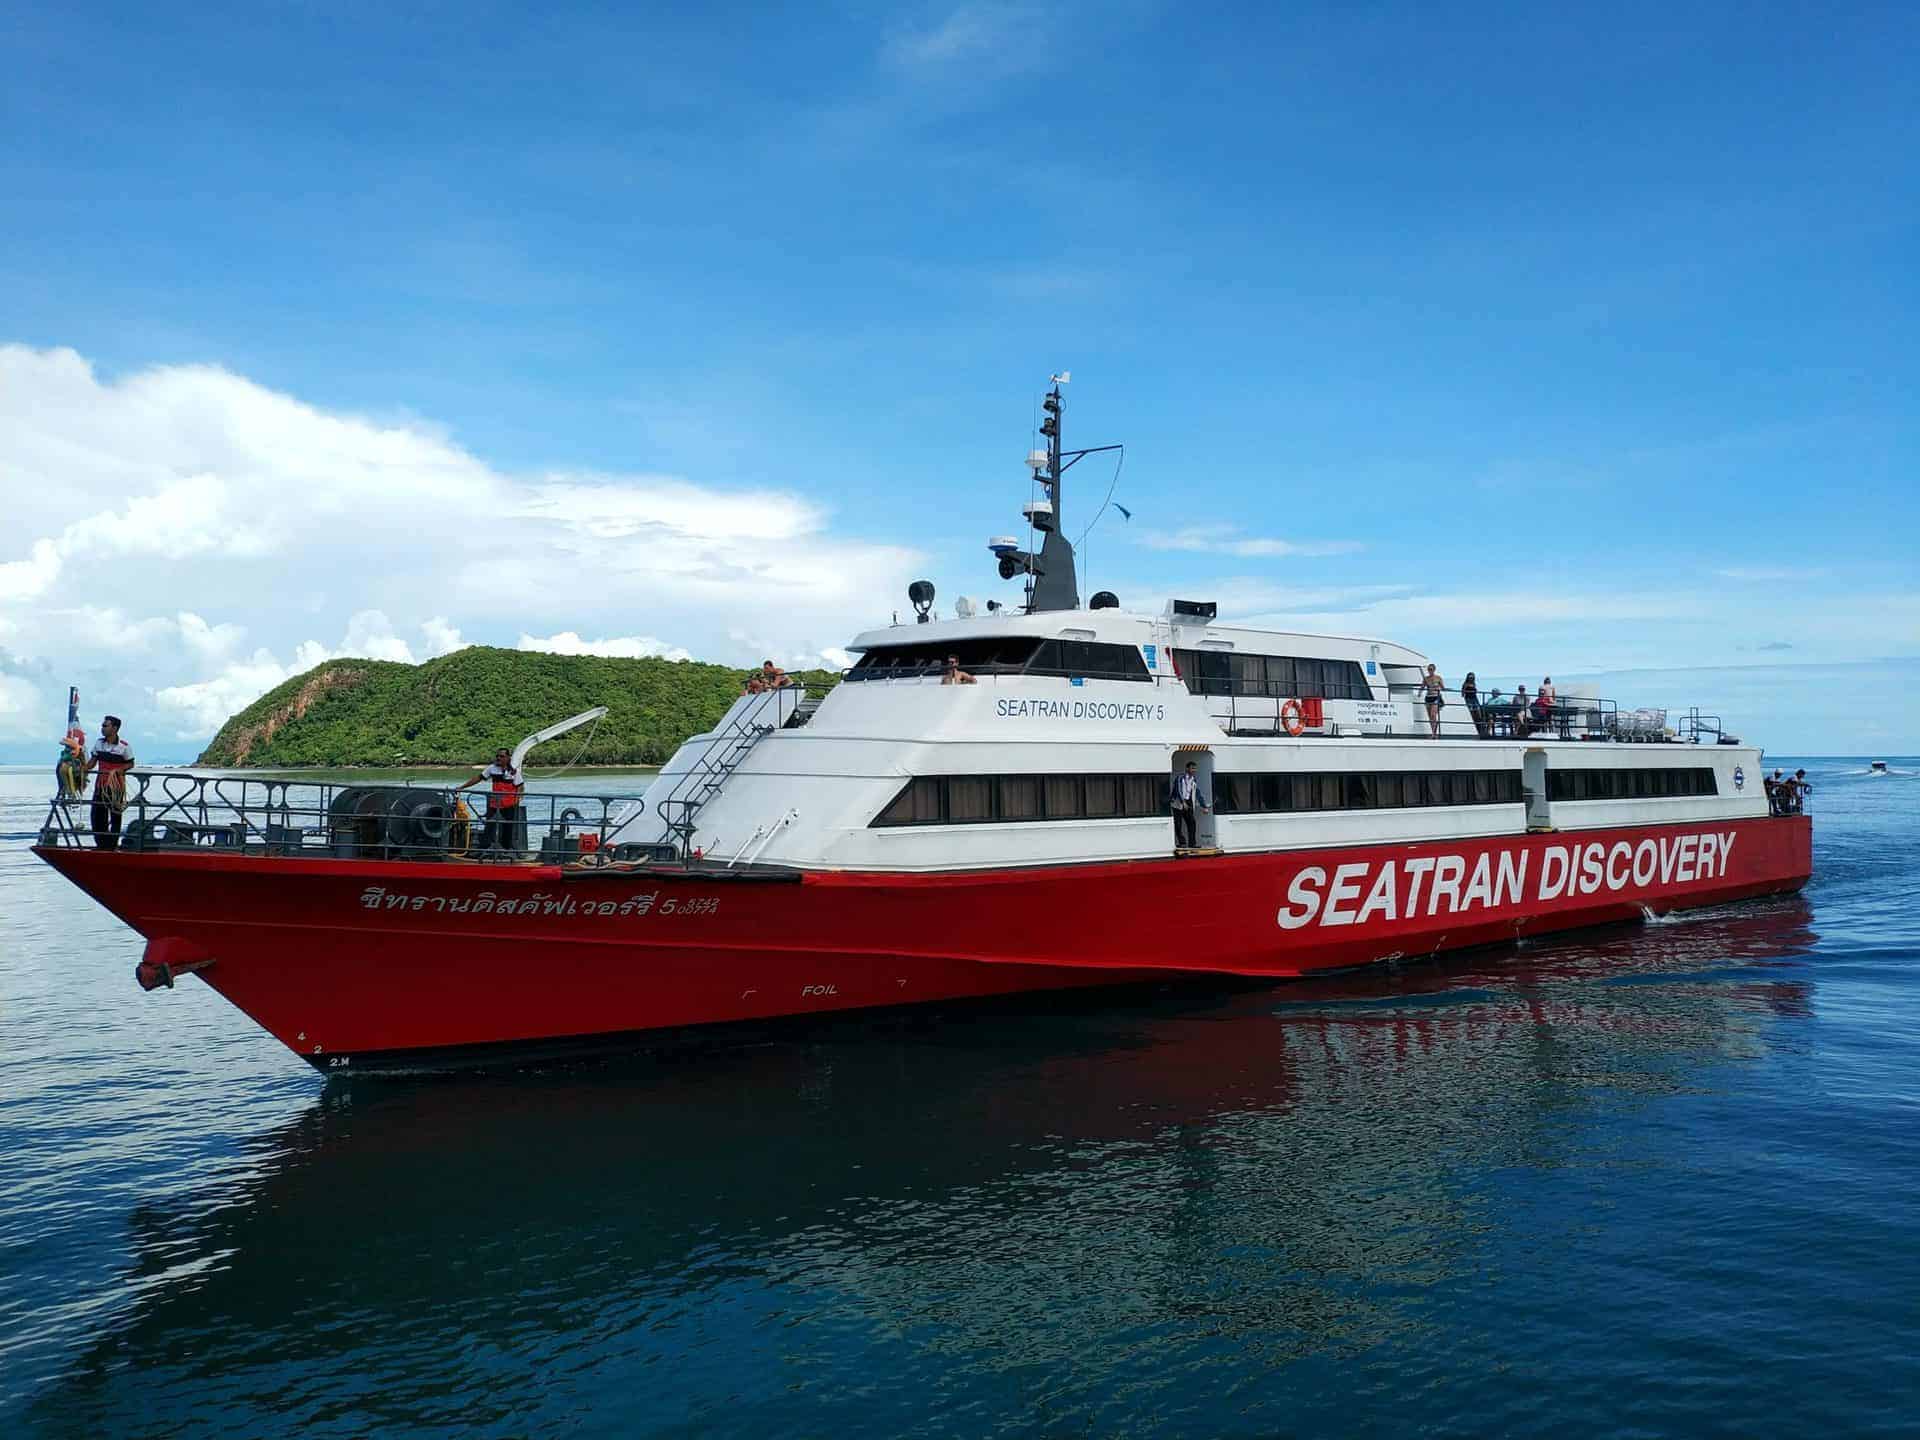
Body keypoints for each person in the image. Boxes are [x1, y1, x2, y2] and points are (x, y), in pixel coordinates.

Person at [456, 747, 526, 857]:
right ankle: (483, 849)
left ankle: (507, 850)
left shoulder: (513, 772)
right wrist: (462, 787)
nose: (498, 758)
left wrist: (517, 799)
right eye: (497, 756)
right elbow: (478, 778)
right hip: (495, 803)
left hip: (509, 804)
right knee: (490, 825)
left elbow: (520, 786)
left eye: (501, 756)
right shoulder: (492, 769)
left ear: (508, 758)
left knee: (508, 827)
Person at [83, 715, 134, 850]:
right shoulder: (99, 743)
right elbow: (92, 762)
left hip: (116, 787)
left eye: (106, 726)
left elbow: (130, 764)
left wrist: (118, 770)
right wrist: (82, 769)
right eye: (103, 726)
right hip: (100, 786)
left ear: (115, 728)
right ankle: (101, 844)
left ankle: (111, 845)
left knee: (115, 816)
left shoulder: (124, 746)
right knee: (97, 815)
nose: (103, 728)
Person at [1171, 760, 1209, 850]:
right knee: (1178, 824)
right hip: (1177, 802)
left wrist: (1204, 806)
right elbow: (1178, 790)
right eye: (1192, 768)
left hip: (1188, 802)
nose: (1194, 770)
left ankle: (1192, 843)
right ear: (1187, 768)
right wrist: (1182, 802)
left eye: (1195, 768)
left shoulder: (1193, 780)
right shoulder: (1180, 778)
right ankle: (1182, 842)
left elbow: (1197, 793)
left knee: (1192, 822)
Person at [1421, 663, 1445, 738]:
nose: (1429, 671)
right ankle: (1433, 733)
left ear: (1434, 670)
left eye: (1431, 669)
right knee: (1430, 717)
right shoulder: (1426, 678)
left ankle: (1434, 733)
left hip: (1435, 697)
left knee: (1433, 715)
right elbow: (1422, 687)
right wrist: (1419, 693)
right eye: (1428, 669)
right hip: (1428, 697)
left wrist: (1438, 688)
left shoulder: (1438, 678)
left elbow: (1443, 688)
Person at [1461, 672, 1486, 738]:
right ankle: (1474, 725)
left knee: (1478, 712)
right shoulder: (1465, 684)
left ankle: (1480, 727)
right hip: (1469, 699)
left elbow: (1475, 692)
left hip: (1474, 698)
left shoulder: (1474, 684)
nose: (1471, 678)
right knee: (1471, 712)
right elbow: (1462, 693)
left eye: (1472, 677)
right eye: (1470, 677)